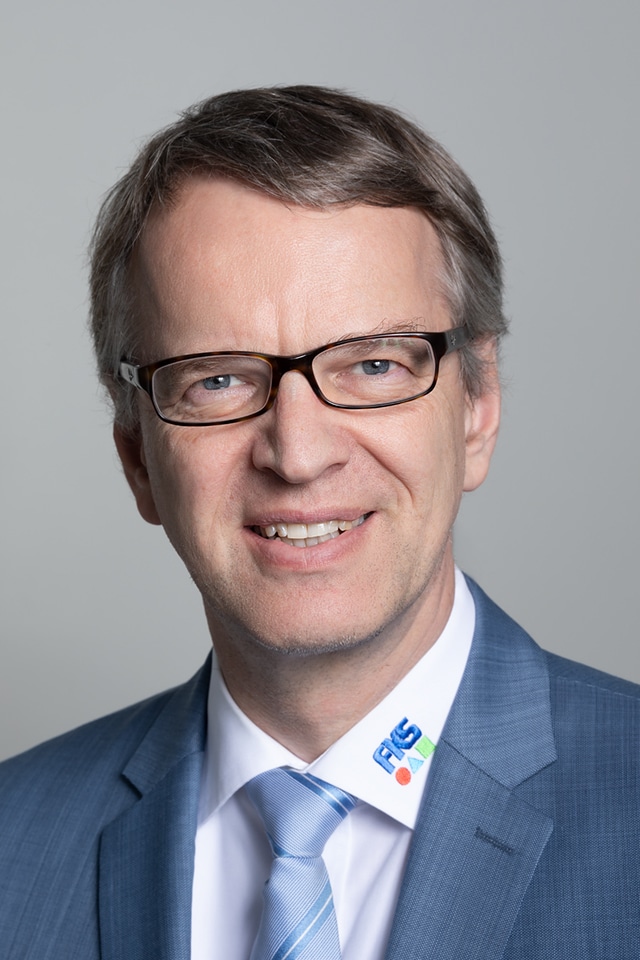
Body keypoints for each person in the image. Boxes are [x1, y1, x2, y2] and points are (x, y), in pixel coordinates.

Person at [0, 86, 638, 960]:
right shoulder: (14, 847)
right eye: (217, 379)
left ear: (477, 407)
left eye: (373, 365)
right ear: (137, 455)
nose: (297, 454)